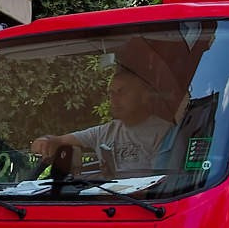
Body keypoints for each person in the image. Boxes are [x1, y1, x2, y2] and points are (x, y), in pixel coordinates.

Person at [29, 63, 178, 179]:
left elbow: (160, 184)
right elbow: (60, 140)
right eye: (111, 93)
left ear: (144, 96)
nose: (113, 99)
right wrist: (45, 141)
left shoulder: (165, 133)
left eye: (121, 92)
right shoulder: (105, 131)